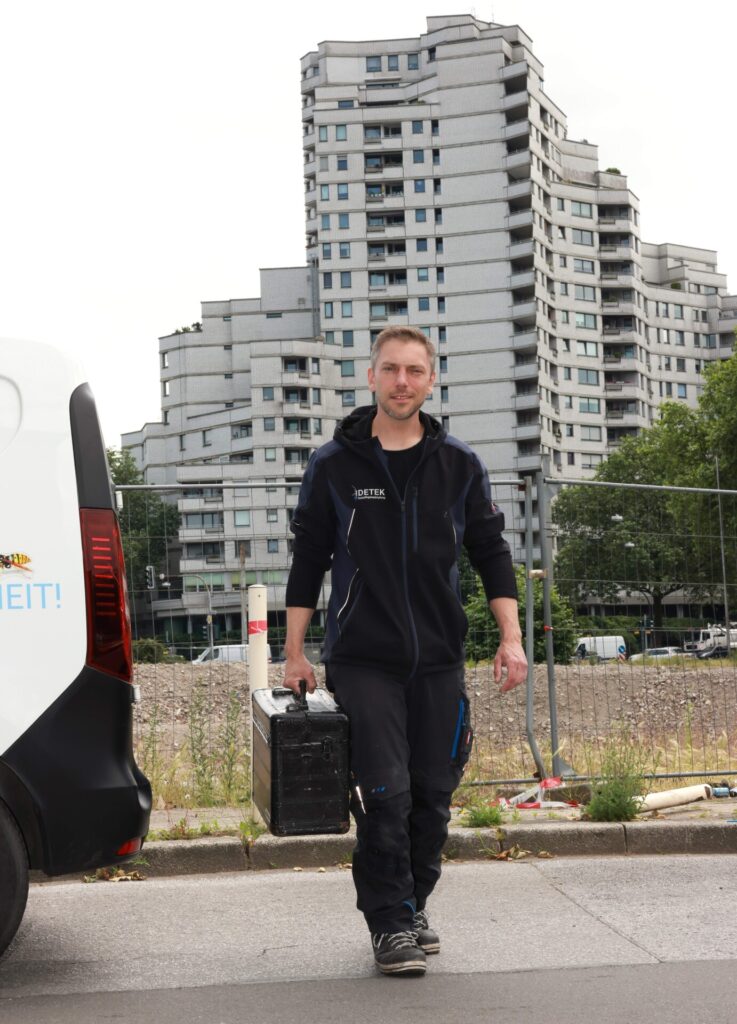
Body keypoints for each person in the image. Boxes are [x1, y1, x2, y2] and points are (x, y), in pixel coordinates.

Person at [283, 325, 527, 977]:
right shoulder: (333, 465)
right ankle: (389, 921)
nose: (401, 381)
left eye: (414, 371)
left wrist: (510, 636)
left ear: (429, 380)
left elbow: (490, 552)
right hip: (363, 659)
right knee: (385, 794)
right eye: (390, 369)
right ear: (370, 377)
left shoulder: (459, 465)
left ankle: (412, 901)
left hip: (439, 660)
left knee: (432, 796)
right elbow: (308, 557)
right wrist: (294, 652)